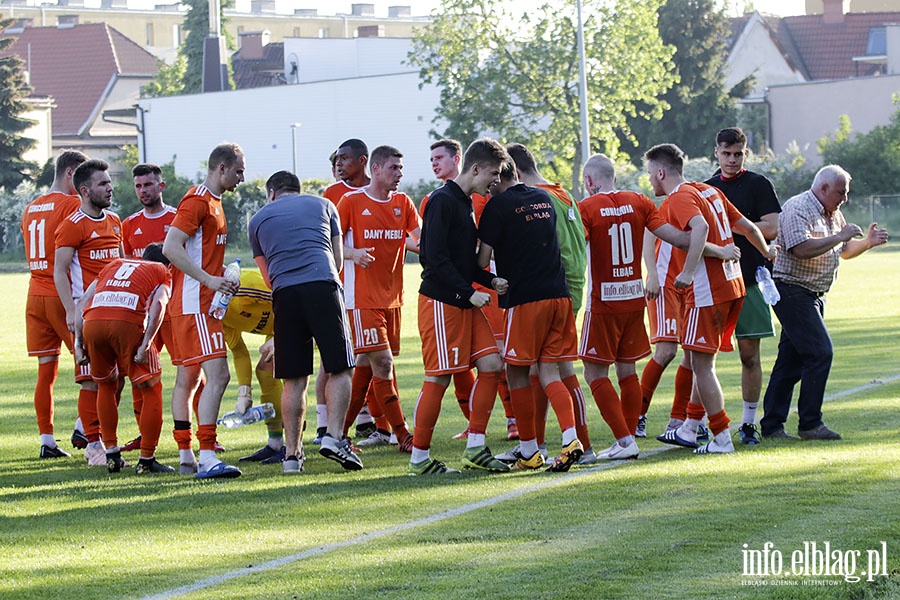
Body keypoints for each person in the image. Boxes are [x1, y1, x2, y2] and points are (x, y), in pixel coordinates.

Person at [646, 143, 775, 454]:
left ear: (661, 172)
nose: (650, 179)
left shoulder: (678, 198)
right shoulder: (709, 190)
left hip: (707, 292)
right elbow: (745, 226)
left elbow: (699, 228)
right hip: (733, 286)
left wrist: (688, 272)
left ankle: (720, 436)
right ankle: (690, 427)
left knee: (702, 365)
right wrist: (766, 252)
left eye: (650, 173)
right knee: (696, 357)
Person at [578, 154, 696, 460]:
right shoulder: (641, 202)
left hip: (602, 301)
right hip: (633, 299)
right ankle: (628, 438)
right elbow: (678, 238)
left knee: (594, 374)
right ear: (613, 177)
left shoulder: (586, 208)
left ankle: (624, 440)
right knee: (627, 371)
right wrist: (705, 239)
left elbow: (574, 252)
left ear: (589, 182)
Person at [760, 166, 888, 440]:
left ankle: (771, 425)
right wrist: (840, 236)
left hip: (814, 295)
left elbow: (843, 251)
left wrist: (867, 242)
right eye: (841, 192)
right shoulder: (798, 208)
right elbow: (801, 248)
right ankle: (810, 423)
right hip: (791, 289)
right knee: (820, 352)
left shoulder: (833, 213)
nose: (844, 198)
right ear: (824, 188)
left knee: (790, 361)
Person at [249, 170, 361, 473]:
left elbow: (267, 275)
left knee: (294, 379)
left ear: (271, 193)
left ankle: (292, 455)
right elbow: (337, 260)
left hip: (285, 293)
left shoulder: (257, 219)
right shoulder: (325, 205)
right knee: (340, 367)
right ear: (297, 190)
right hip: (323, 284)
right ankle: (334, 438)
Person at [409, 138, 510, 475]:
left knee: (492, 364)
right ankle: (419, 459)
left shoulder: (465, 201)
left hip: (462, 300)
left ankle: (475, 447)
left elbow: (462, 261)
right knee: (438, 379)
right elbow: (432, 259)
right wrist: (468, 292)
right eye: (493, 174)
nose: (495, 181)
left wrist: (488, 279)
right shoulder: (440, 201)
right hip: (441, 303)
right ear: (476, 168)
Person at [478, 161, 583, 472]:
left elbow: (484, 259)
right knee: (550, 373)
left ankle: (529, 450)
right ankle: (571, 439)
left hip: (525, 299)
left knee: (517, 373)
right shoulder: (542, 198)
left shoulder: (497, 205)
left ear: (498, 176)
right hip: (559, 295)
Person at [505, 142, 592, 462]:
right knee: (545, 371)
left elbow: (549, 247)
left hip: (555, 289)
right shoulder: (564, 194)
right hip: (570, 287)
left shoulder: (539, 200)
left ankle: (578, 443)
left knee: (559, 371)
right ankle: (538, 445)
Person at [162, 143, 244, 479]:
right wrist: (209, 278)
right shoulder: (198, 201)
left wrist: (221, 271)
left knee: (188, 379)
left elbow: (199, 252)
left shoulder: (214, 202)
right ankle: (208, 455)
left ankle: (186, 455)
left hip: (193, 302)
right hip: (195, 304)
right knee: (219, 376)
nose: (242, 177)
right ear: (221, 168)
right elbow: (171, 247)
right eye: (238, 170)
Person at [337, 145, 420, 450]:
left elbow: (420, 239)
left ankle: (338, 435)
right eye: (393, 168)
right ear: (375, 169)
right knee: (382, 363)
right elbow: (329, 245)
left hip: (393, 299)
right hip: (361, 299)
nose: (399, 173)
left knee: (366, 366)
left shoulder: (403, 203)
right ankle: (403, 435)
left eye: (401, 168)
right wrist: (352, 253)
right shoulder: (351, 202)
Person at [705, 127, 781, 445]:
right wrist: (745, 229)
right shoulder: (705, 189)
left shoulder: (758, 184)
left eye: (738, 154)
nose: (732, 160)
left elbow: (772, 228)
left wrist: (730, 230)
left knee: (749, 355)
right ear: (717, 153)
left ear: (745, 153)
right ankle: (695, 422)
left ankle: (749, 423)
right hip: (713, 284)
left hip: (749, 281)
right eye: (727, 153)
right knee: (702, 357)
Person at [73, 245, 174, 474]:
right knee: (151, 388)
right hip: (127, 323)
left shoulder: (114, 264)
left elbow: (82, 303)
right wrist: (147, 343)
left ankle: (111, 455)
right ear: (169, 264)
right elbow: (159, 304)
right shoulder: (162, 270)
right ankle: (147, 460)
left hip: (93, 323)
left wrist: (78, 344)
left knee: (106, 385)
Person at [53, 158, 124, 466]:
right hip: (88, 312)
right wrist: (71, 311)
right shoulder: (72, 225)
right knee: (91, 380)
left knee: (118, 379)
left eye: (109, 182)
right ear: (84, 190)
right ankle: (93, 444)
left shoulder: (114, 221)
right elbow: (59, 271)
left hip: (117, 311)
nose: (109, 188)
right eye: (102, 184)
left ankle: (96, 431)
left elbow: (121, 262)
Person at [22, 150, 88, 458]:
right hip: (59, 294)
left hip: (34, 293)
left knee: (46, 370)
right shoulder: (71, 205)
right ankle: (84, 427)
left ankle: (47, 440)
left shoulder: (31, 207)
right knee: (90, 364)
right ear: (71, 172)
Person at [119, 163, 181, 454]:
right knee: (139, 375)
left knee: (190, 373)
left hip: (176, 309)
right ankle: (144, 436)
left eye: (148, 185)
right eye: (138, 186)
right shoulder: (129, 225)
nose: (143, 190)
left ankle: (201, 434)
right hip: (143, 315)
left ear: (161, 186)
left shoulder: (178, 219)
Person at [318, 139, 373, 441]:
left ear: (363, 161)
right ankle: (325, 425)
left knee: (375, 359)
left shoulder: (381, 192)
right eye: (336, 160)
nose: (338, 165)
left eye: (344, 159)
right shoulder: (331, 195)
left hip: (381, 292)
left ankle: (368, 421)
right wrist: (352, 254)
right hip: (342, 290)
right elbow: (329, 241)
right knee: (336, 360)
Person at [224, 269, 286, 465]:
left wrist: (282, 336)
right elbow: (240, 352)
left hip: (298, 319)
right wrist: (245, 393)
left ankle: (296, 445)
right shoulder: (217, 312)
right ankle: (276, 443)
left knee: (296, 377)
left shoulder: (244, 287)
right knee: (265, 371)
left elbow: (287, 297)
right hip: (276, 328)